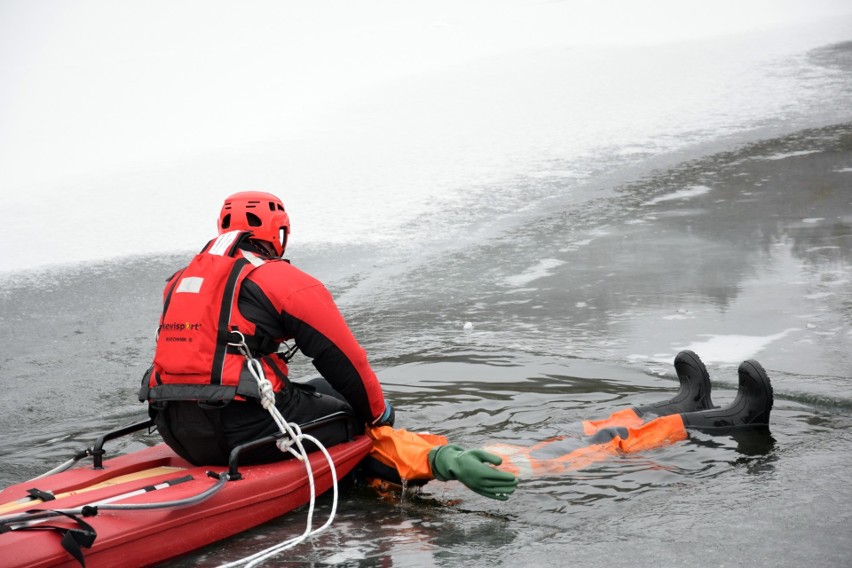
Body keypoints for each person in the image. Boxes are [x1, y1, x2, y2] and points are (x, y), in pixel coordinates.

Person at [138, 191, 518, 500]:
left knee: (326, 392)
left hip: (176, 429)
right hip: (240, 433)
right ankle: (425, 462)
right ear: (278, 232)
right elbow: (345, 359)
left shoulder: (180, 279)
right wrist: (380, 419)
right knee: (351, 417)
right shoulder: (280, 280)